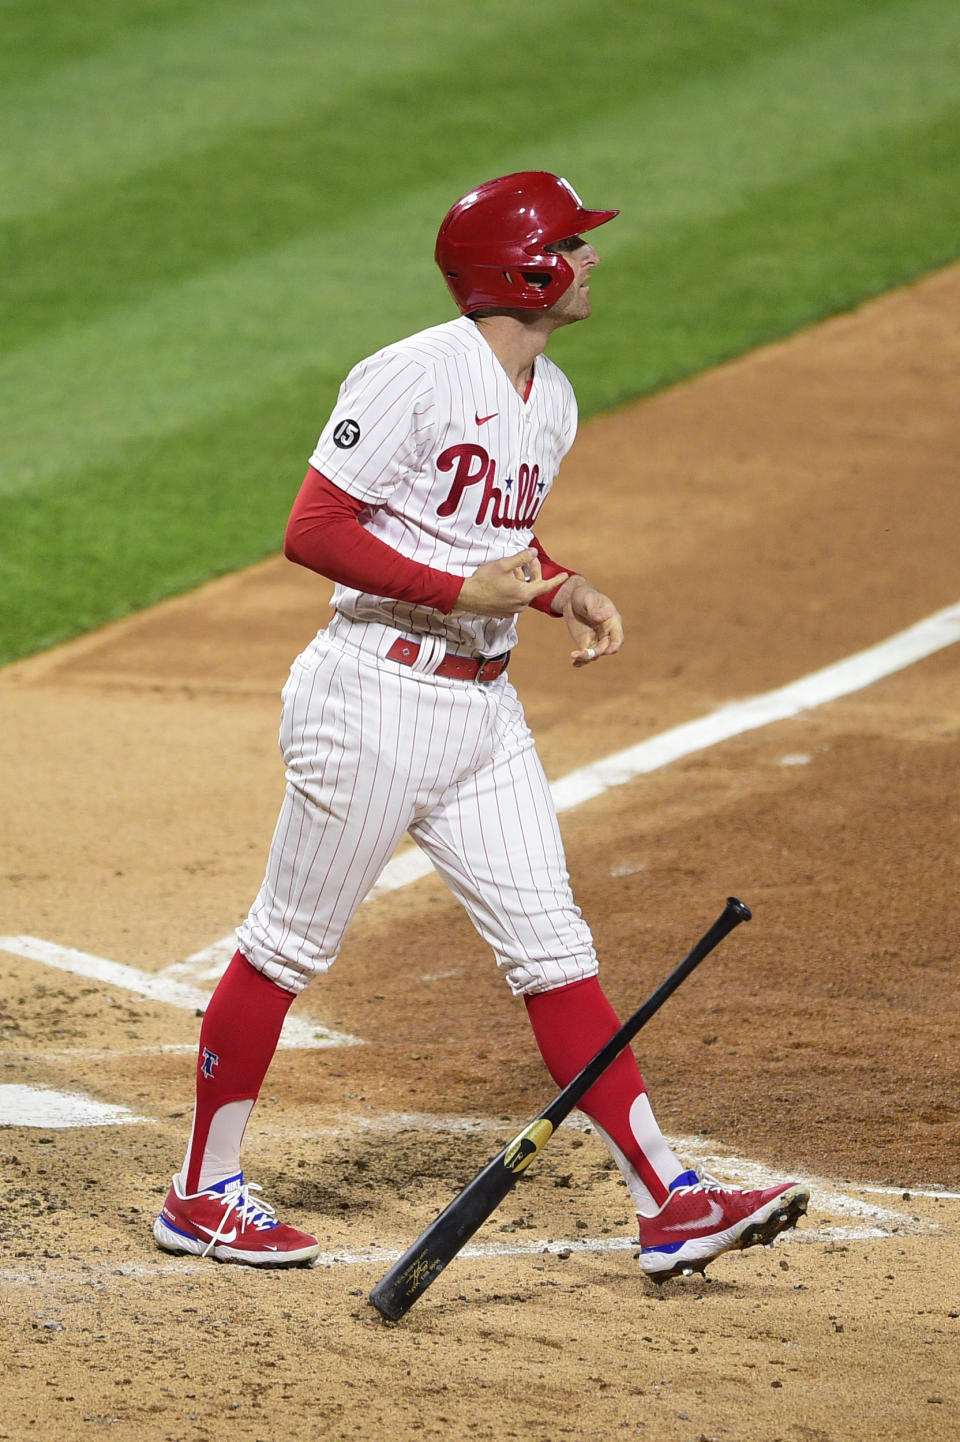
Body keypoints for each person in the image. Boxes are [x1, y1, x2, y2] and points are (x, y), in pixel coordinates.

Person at [153, 171, 808, 1283]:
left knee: (555, 951)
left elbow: (498, 538)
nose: (593, 258)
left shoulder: (551, 397)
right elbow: (313, 529)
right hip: (371, 696)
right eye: (574, 243)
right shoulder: (414, 374)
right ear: (527, 269)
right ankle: (201, 1195)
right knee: (287, 946)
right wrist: (468, 591)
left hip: (482, 710)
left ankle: (671, 1202)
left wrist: (559, 590)